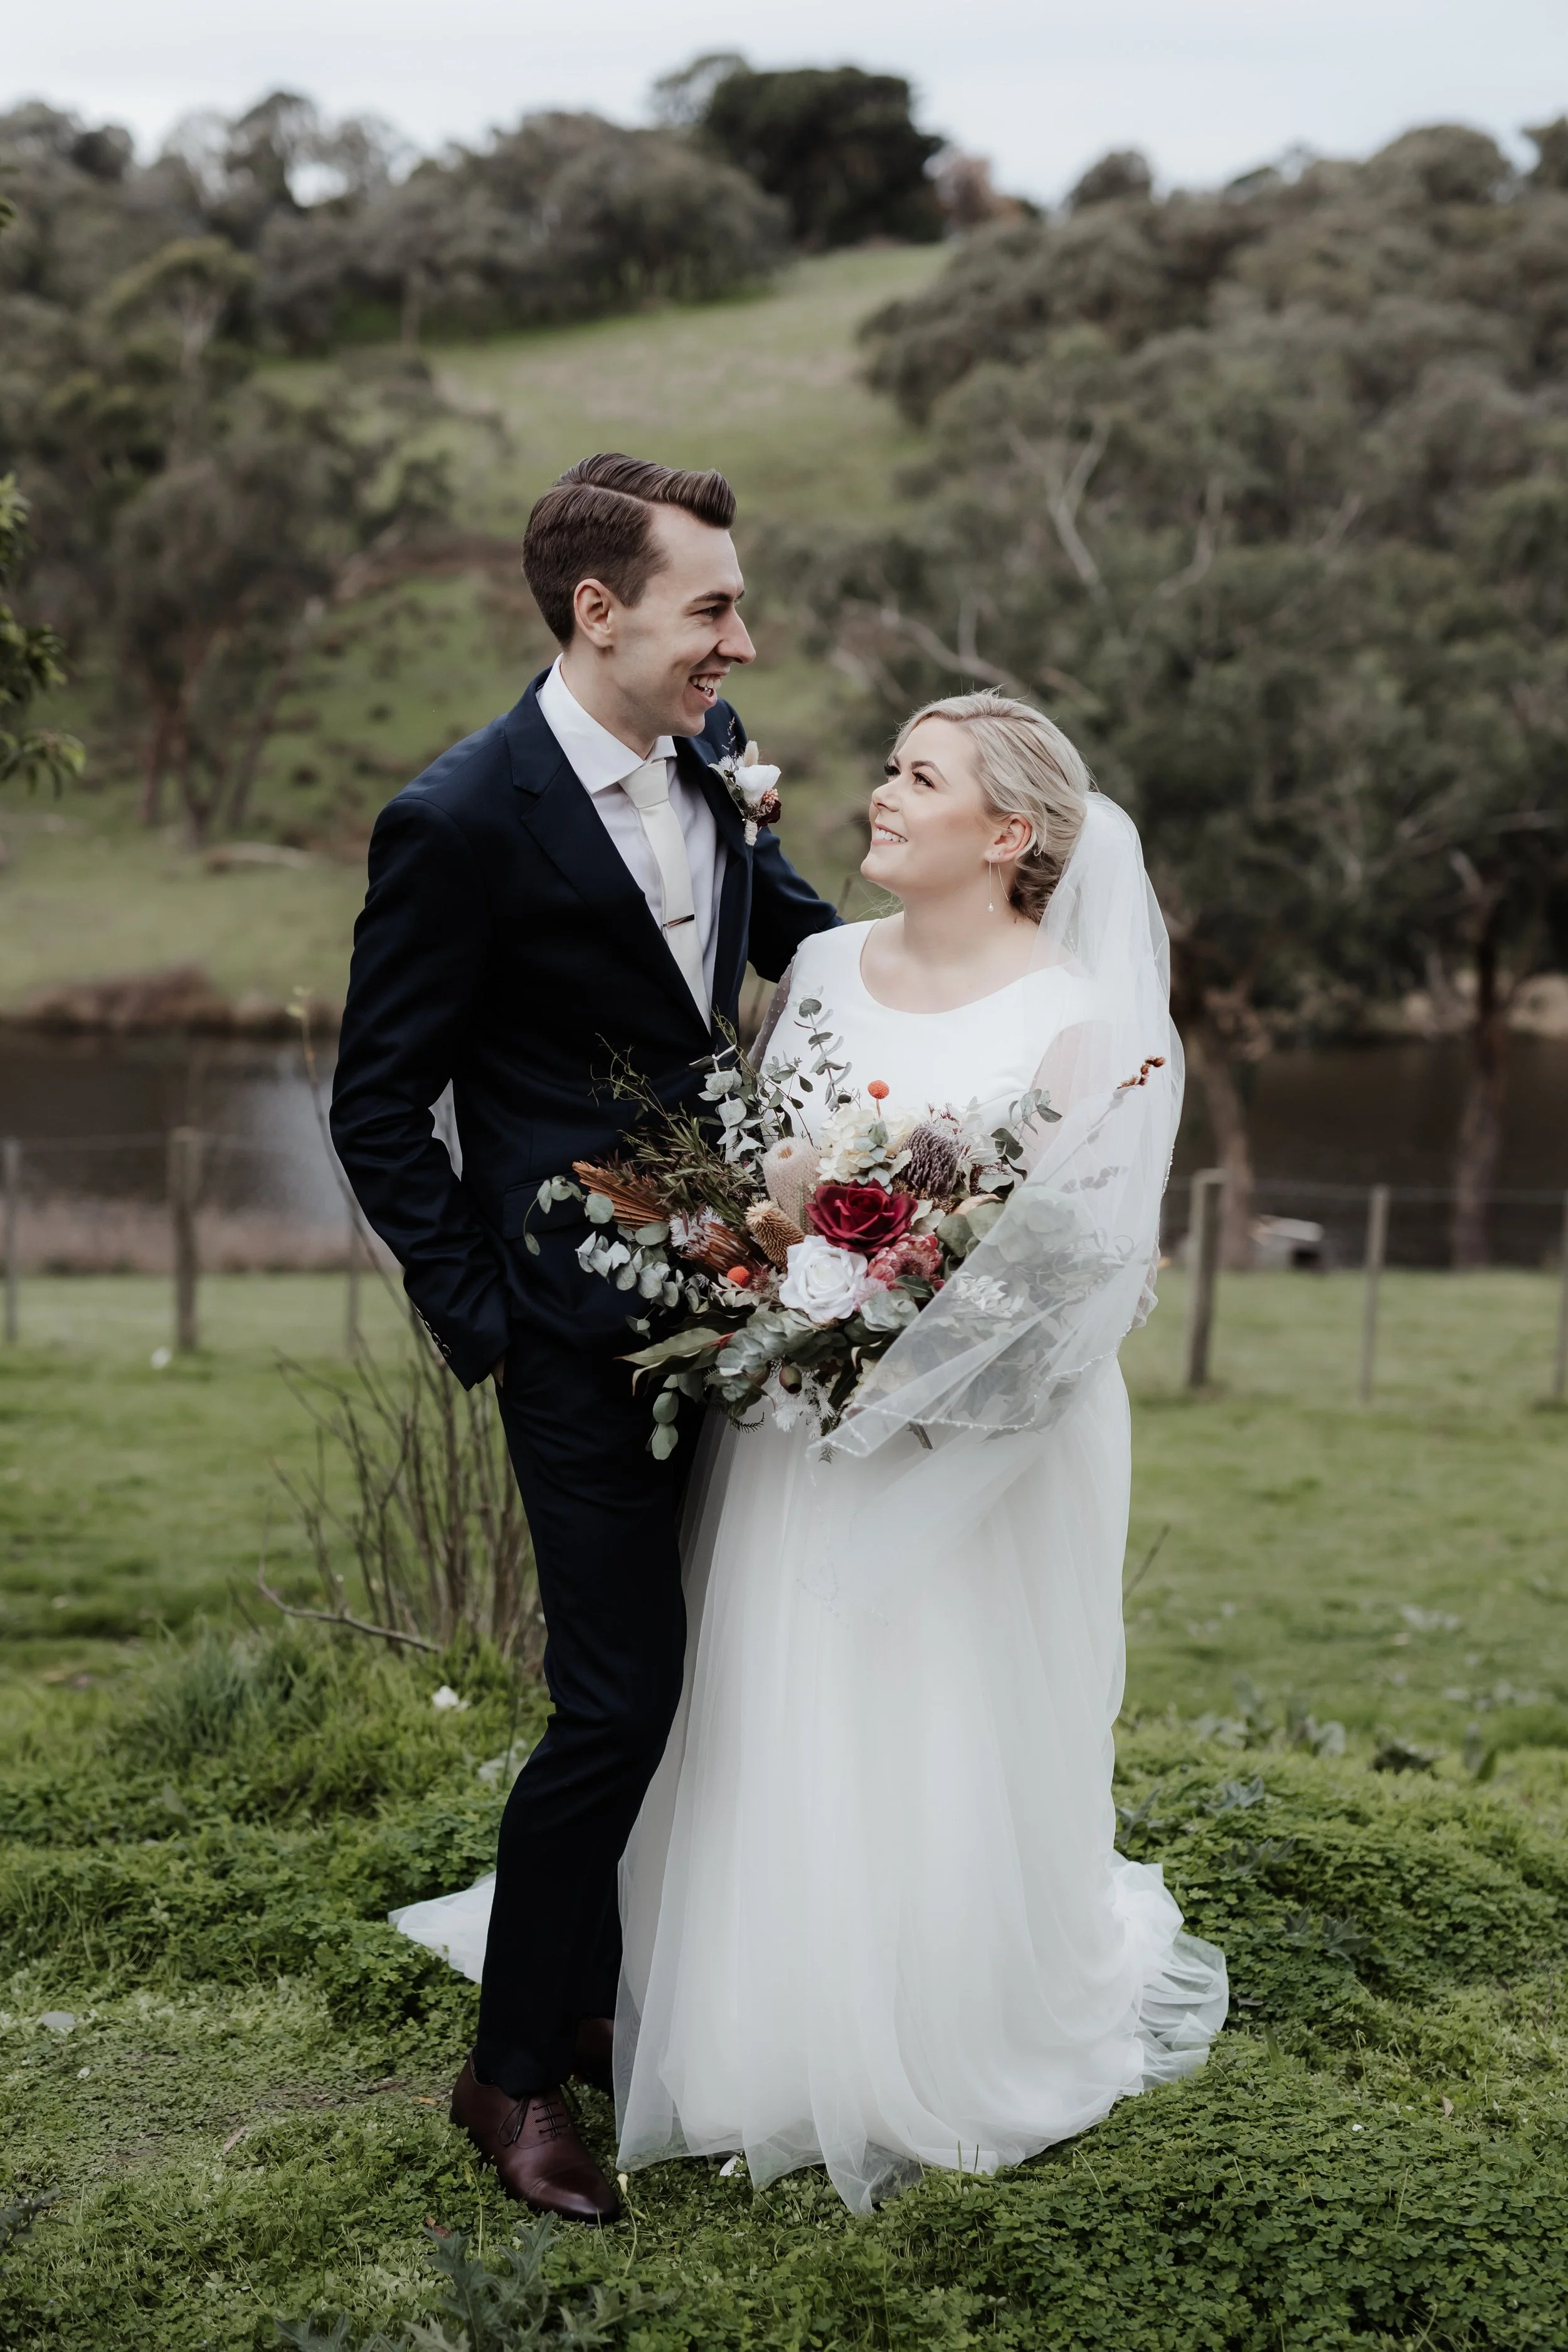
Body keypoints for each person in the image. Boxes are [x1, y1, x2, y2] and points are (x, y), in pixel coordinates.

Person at [393, 688, 1228, 2216]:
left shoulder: (1080, 1024)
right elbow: (762, 1165)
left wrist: (908, 1372)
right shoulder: (827, 968)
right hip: (785, 1426)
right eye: (891, 767)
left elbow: (1072, 1282)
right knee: (759, 1705)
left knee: (927, 1717)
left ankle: (909, 2017)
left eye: (919, 776)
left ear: (1009, 834)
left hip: (960, 1450)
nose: (881, 794)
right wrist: (782, 1298)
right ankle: (727, 2005)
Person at [330, 453, 839, 2225]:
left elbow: (784, 945)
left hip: (742, 1307)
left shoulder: (713, 755)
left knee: (692, 1673)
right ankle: (510, 2072)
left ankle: (604, 1992)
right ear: (596, 610)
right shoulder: (459, 817)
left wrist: (962, 1009)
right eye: (713, 606)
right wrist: (488, 1318)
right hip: (569, 1334)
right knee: (615, 1697)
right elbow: (379, 1104)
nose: (741, 639)